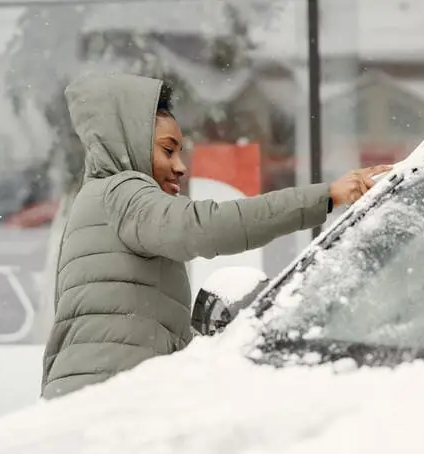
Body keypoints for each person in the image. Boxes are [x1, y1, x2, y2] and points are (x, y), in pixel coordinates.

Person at [41, 72, 391, 399]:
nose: (180, 166)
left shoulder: (101, 201)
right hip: (108, 401)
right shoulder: (124, 192)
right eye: (168, 150)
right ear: (130, 143)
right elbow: (204, 226)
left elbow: (127, 321)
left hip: (91, 395)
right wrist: (326, 196)